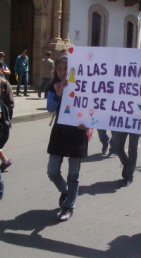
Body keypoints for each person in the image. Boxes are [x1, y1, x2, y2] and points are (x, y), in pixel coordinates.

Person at [46, 56, 88, 221]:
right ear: (56, 71)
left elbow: (92, 107)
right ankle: (65, 190)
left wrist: (86, 124)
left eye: (66, 69)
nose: (63, 72)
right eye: (60, 69)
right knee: (52, 171)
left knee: (73, 173)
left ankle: (69, 205)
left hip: (78, 134)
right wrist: (59, 91)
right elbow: (50, 108)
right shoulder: (54, 86)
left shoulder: (83, 86)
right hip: (60, 133)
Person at [0, 61, 14, 171]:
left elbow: (10, 104)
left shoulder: (4, 84)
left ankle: (5, 160)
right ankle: (5, 160)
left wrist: (7, 119)